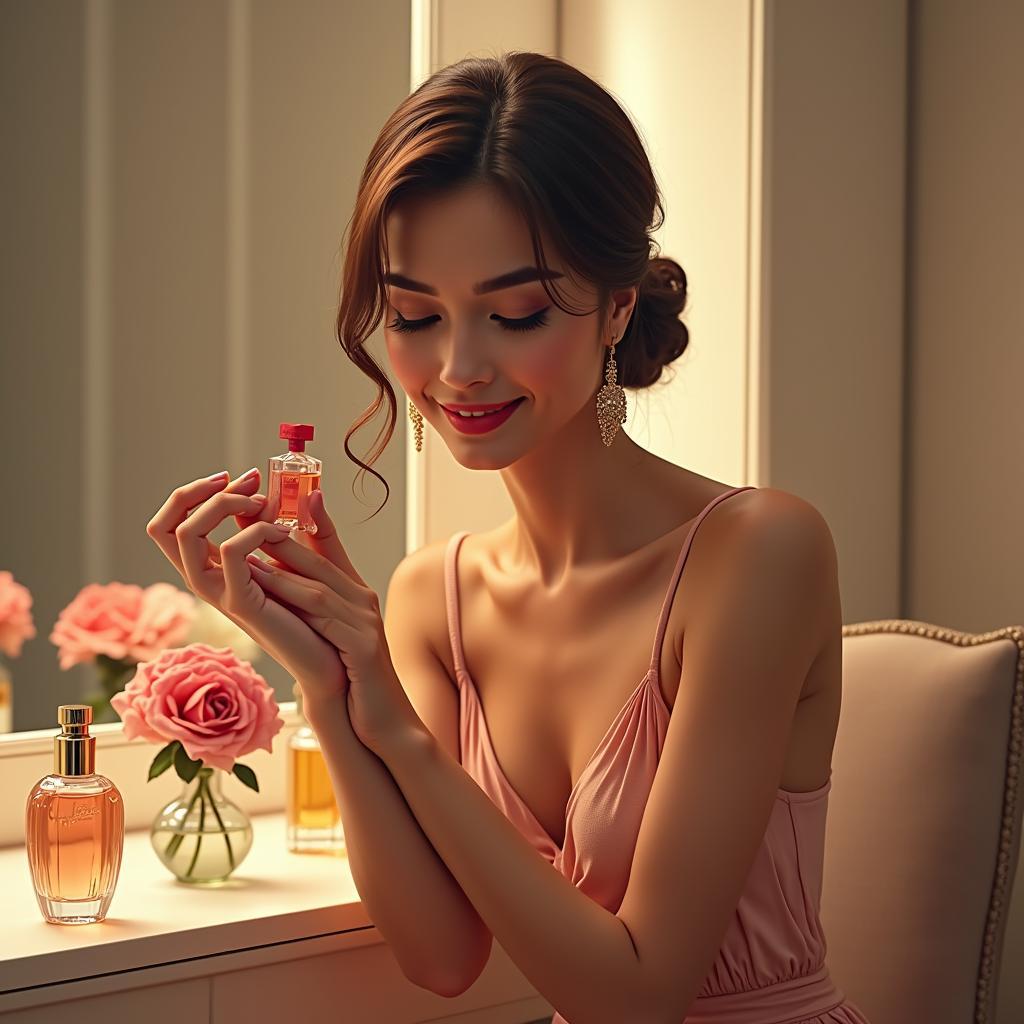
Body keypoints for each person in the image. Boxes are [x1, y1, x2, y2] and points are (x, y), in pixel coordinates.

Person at [147, 51, 871, 1024]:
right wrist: (326, 675)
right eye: (413, 315)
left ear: (617, 305)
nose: (458, 367)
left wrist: (398, 723)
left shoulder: (757, 554)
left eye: (515, 312)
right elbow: (440, 956)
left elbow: (637, 995)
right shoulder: (429, 597)